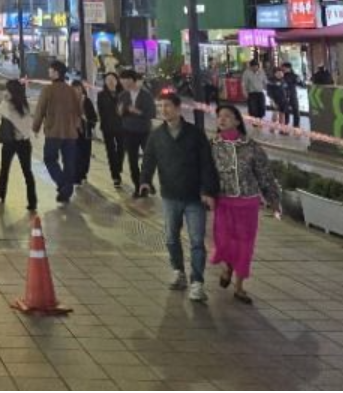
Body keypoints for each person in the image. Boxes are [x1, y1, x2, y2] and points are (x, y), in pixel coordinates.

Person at [139, 91, 221, 303]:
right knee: (171, 238)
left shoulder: (195, 134)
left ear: (177, 108)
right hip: (170, 195)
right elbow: (148, 159)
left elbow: (207, 164)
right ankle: (178, 272)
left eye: (167, 106)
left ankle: (197, 283)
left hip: (195, 197)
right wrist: (145, 180)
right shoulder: (157, 135)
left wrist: (208, 191)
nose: (163, 110)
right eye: (161, 106)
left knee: (196, 241)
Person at [210, 104, 282, 304]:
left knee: (244, 245)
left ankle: (239, 286)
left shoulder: (251, 147)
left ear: (237, 121)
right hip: (223, 202)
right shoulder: (212, 146)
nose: (222, 119)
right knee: (224, 241)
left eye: (227, 116)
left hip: (247, 203)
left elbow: (265, 175)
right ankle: (227, 267)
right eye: (219, 116)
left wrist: (274, 200)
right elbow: (204, 173)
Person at [32, 60, 82, 205]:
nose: (49, 72)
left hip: (53, 132)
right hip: (70, 133)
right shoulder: (71, 90)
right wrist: (77, 127)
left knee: (50, 159)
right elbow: (78, 111)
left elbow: (40, 110)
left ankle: (63, 185)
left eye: (51, 70)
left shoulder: (48, 90)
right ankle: (66, 192)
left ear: (56, 73)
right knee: (69, 162)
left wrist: (35, 127)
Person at [0, 79, 38, 212]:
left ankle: (1, 194)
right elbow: (27, 126)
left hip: (12, 143)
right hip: (21, 143)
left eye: (7, 89)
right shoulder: (24, 105)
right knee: (25, 171)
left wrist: (5, 102)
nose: (5, 92)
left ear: (12, 91)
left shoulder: (9, 105)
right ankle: (32, 201)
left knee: (6, 169)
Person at [118, 69, 156, 197]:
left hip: (144, 131)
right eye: (122, 83)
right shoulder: (123, 95)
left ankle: (147, 182)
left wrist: (137, 111)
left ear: (132, 80)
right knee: (132, 160)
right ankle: (138, 186)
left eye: (126, 82)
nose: (124, 85)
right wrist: (121, 111)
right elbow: (119, 112)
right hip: (128, 131)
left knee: (148, 159)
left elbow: (152, 113)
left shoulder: (146, 95)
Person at [97, 70, 126, 190]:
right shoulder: (101, 95)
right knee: (110, 152)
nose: (110, 82)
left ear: (117, 81)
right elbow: (100, 111)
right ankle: (116, 176)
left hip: (122, 127)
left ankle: (118, 167)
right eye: (108, 80)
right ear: (105, 82)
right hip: (107, 127)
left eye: (112, 79)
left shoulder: (123, 94)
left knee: (121, 149)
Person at [71, 78, 98, 187]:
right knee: (75, 155)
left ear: (82, 89)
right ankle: (76, 177)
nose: (76, 90)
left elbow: (94, 118)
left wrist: (85, 118)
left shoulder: (87, 101)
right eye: (74, 89)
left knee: (85, 155)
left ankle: (83, 174)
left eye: (78, 88)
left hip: (85, 133)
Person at [279, 62, 302, 126]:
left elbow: (301, 84)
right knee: (286, 112)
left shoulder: (294, 76)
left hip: (292, 95)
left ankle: (296, 126)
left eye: (283, 67)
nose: (282, 69)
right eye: (282, 68)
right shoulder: (281, 76)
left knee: (295, 111)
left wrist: (299, 81)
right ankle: (286, 125)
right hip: (284, 96)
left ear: (288, 68)